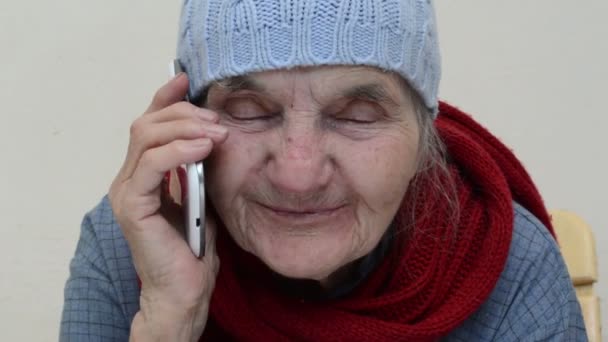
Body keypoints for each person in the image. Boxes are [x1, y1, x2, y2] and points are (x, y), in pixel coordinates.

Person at [60, 0, 588, 341]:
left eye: (357, 116)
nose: (298, 173)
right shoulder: (128, 246)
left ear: (424, 137)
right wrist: (167, 321)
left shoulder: (507, 270)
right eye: (248, 110)